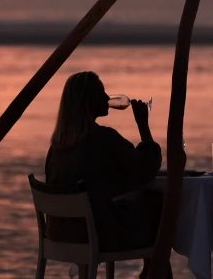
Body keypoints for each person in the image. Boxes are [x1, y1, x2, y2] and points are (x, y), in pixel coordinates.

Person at [44, 71, 166, 277]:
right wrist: (143, 125)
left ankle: (151, 273)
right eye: (100, 92)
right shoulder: (103, 139)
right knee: (159, 207)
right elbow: (147, 168)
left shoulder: (56, 148)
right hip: (96, 235)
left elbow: (98, 181)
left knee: (139, 205)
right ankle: (153, 274)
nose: (107, 97)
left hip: (59, 234)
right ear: (88, 101)